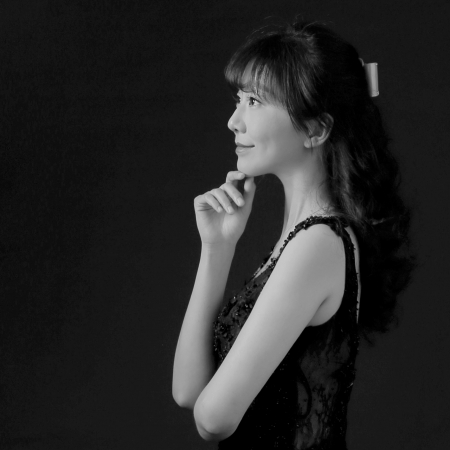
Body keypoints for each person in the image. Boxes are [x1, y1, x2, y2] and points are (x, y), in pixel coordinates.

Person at [172, 18, 415, 449]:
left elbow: (214, 419)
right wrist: (217, 248)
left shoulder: (317, 245)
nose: (233, 121)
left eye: (254, 101)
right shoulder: (301, 240)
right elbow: (189, 392)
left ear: (316, 129)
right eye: (238, 99)